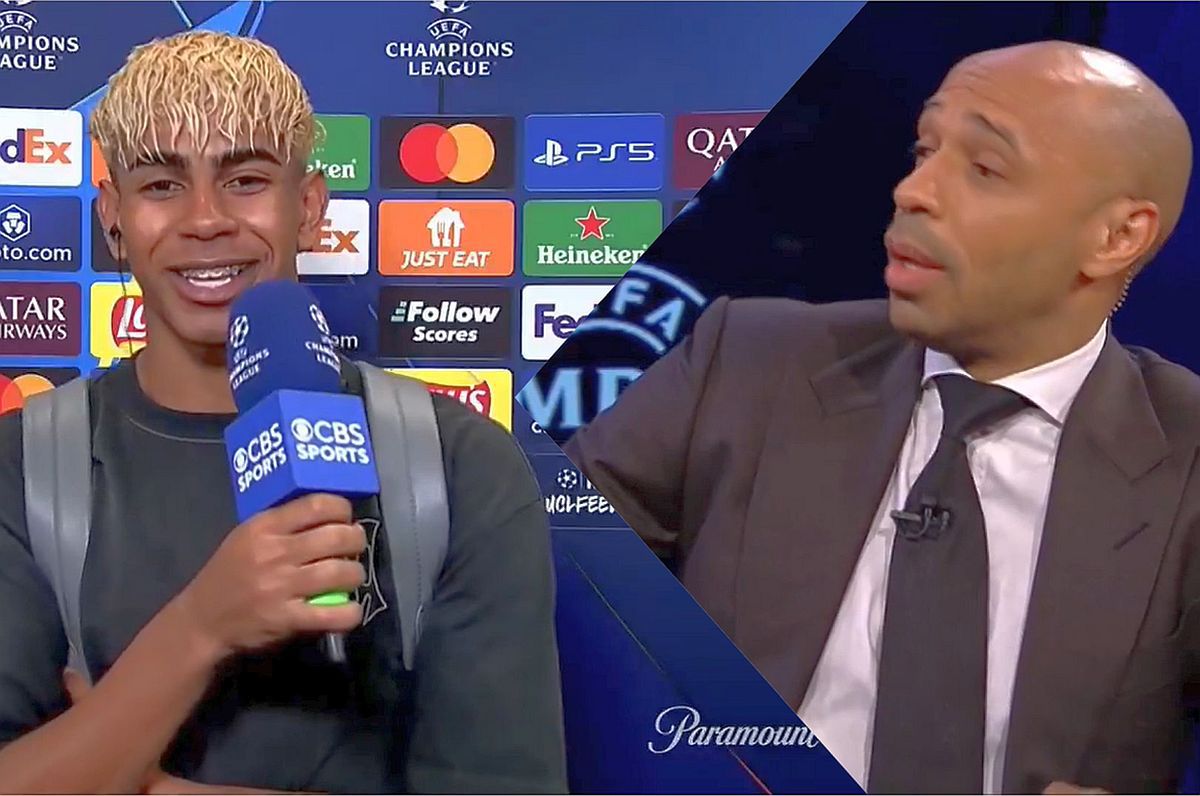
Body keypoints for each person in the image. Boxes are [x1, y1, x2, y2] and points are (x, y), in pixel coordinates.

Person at [564, 40, 1198, 795]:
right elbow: (529, 573)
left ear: (1117, 237)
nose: (914, 191)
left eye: (984, 168)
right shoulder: (748, 363)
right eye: (923, 151)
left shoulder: (1187, 455)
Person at [0, 30, 566, 794]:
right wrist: (202, 625)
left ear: (308, 207)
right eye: (162, 185)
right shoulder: (20, 471)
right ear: (113, 219)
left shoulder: (457, 468)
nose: (205, 219)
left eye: (245, 180)